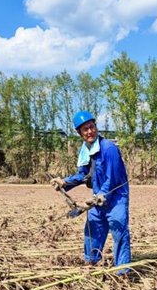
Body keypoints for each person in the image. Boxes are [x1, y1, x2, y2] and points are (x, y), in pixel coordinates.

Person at [50, 111, 131, 275]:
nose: (89, 132)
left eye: (91, 127)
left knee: (119, 231)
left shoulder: (109, 149)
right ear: (79, 133)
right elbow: (84, 175)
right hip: (97, 198)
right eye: (85, 129)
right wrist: (65, 182)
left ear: (96, 126)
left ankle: (123, 272)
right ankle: (91, 264)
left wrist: (100, 196)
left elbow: (112, 179)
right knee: (92, 230)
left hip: (115, 198)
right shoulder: (85, 150)